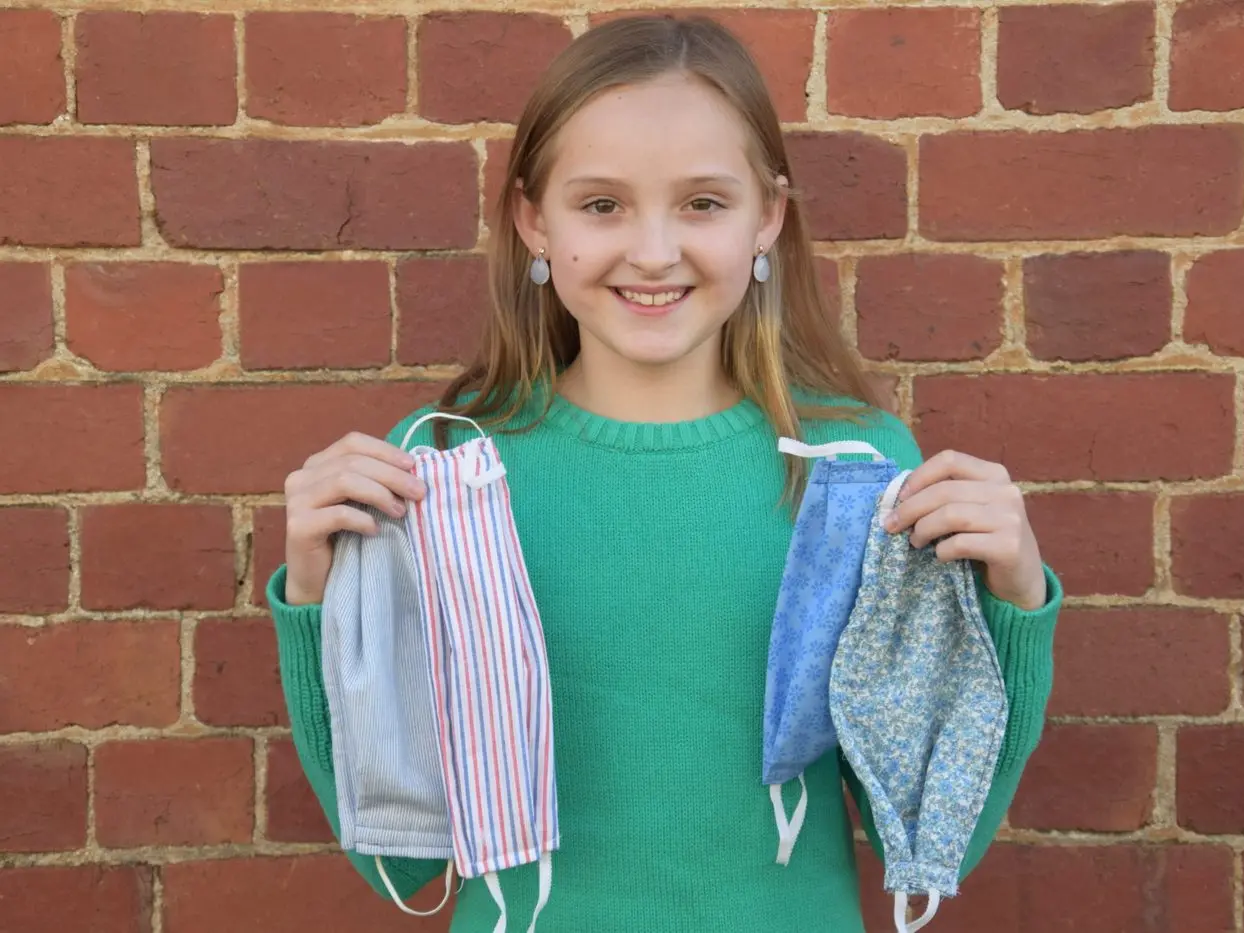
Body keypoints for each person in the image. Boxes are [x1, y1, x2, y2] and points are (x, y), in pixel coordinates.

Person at [268, 14, 1060, 932]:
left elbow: (927, 838)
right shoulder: (441, 471)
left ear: (767, 218)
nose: (652, 251)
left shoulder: (854, 473)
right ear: (533, 220)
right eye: (601, 205)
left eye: (703, 203)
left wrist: (1013, 604)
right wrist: (319, 606)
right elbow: (402, 864)